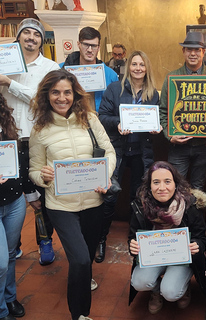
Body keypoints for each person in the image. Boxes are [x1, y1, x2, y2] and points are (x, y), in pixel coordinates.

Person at [28, 69, 116, 320]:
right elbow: (34, 170)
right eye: (55, 92)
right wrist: (42, 176)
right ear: (47, 95)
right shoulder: (39, 129)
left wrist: (105, 176)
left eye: (67, 91)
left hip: (93, 201)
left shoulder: (89, 119)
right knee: (78, 260)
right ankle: (80, 314)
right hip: (60, 205)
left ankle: (83, 280)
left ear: (75, 94)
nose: (62, 97)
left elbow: (109, 152)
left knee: (86, 258)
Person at [0, 18, 59, 266]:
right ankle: (14, 246)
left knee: (38, 195)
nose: (31, 37)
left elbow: (41, 99)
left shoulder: (50, 66)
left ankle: (44, 241)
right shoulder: (3, 61)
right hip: (7, 139)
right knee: (11, 194)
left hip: (36, 137)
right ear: (18, 37)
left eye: (37, 34)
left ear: (41, 41)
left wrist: (9, 83)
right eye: (27, 33)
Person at [97, 50, 161, 263]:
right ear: (128, 67)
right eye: (134, 64)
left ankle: (135, 238)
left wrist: (155, 127)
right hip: (118, 149)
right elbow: (102, 116)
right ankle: (100, 239)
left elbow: (157, 118)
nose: (138, 68)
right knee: (110, 194)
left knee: (139, 195)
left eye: (142, 65)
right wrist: (118, 123)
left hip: (141, 152)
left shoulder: (153, 93)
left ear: (147, 68)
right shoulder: (115, 89)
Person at [127, 161, 206, 314]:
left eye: (167, 182)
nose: (162, 187)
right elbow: (132, 237)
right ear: (149, 185)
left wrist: (197, 245)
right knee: (139, 282)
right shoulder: (140, 206)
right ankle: (156, 290)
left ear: (176, 184)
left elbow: (201, 237)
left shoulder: (189, 205)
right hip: (154, 257)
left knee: (171, 292)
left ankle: (183, 288)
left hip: (182, 260)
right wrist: (132, 246)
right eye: (156, 182)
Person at [159, 31, 206, 190]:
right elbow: (162, 112)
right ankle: (179, 216)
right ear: (183, 51)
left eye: (197, 50)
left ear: (203, 52)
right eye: (189, 49)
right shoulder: (171, 78)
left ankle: (194, 216)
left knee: (198, 189)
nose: (193, 53)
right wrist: (169, 135)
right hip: (178, 146)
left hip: (204, 146)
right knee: (175, 188)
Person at [0, 93, 41, 320]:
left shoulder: (7, 125)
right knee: (0, 262)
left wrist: (30, 194)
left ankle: (9, 297)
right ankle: (2, 310)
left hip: (14, 202)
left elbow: (21, 162)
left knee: (10, 256)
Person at [60, 26, 118, 112]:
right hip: (71, 121)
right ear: (78, 44)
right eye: (86, 45)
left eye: (94, 46)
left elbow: (115, 105)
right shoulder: (61, 69)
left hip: (99, 122)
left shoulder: (110, 75)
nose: (90, 50)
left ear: (98, 47)